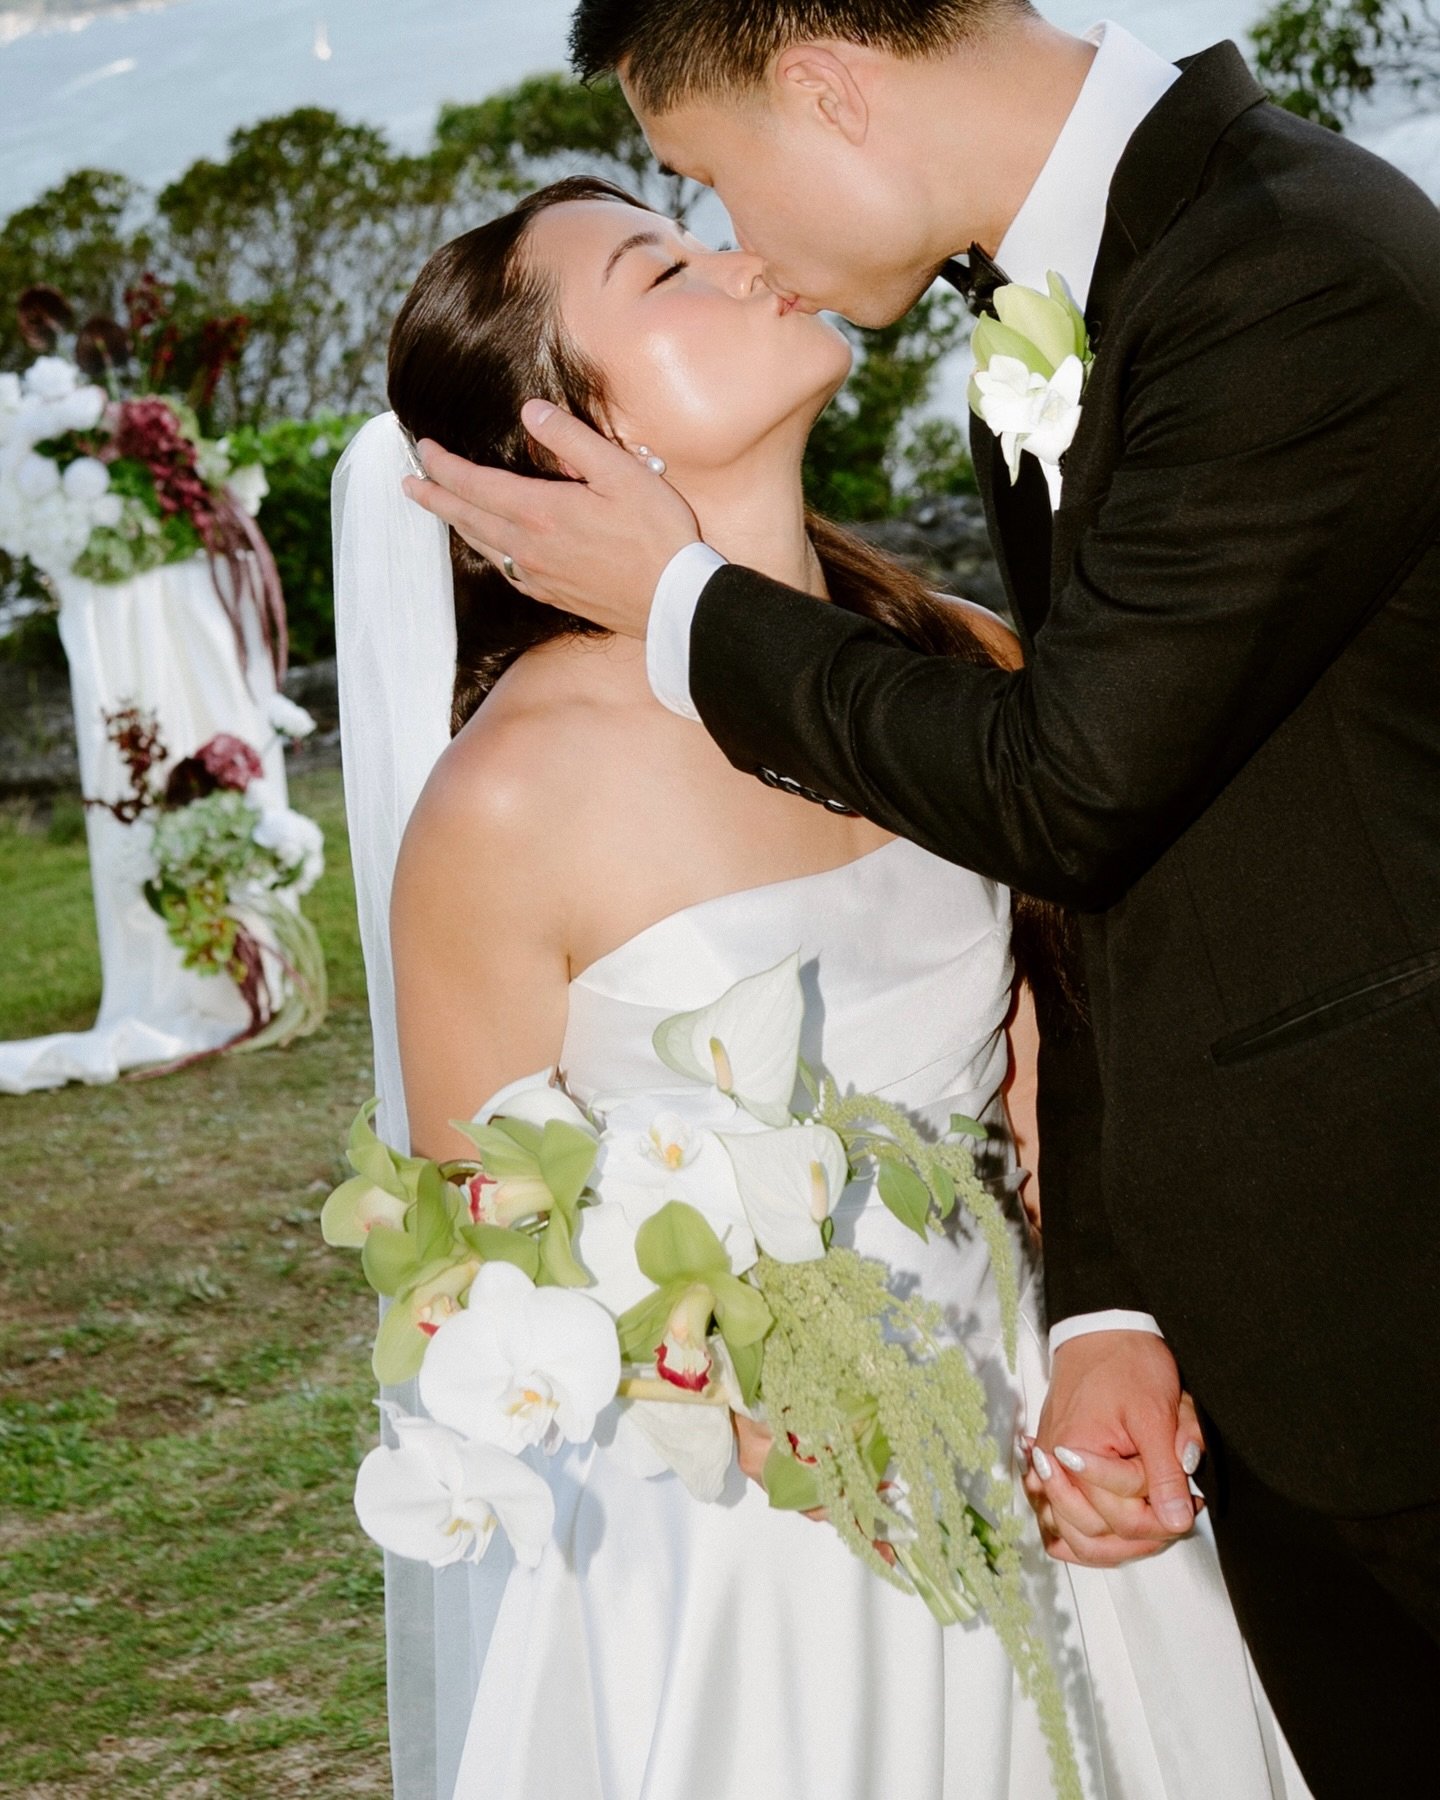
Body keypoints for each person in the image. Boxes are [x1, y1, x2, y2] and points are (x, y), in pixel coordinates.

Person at [400, 6, 1440, 1796]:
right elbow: (475, 1222)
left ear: (826, 86)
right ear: (564, 443)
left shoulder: (1283, 271)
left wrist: (683, 611)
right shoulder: (513, 799)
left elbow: (1068, 822)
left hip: (1333, 1317)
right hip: (769, 1550)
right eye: (673, 241)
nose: (737, 242)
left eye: (711, 183)